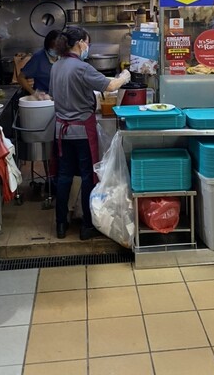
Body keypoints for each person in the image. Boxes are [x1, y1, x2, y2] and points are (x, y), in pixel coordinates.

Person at [49, 26, 131, 240]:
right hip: (82, 131)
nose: (88, 46)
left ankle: (60, 224)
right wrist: (125, 76)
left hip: (61, 132)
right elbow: (110, 86)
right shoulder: (81, 67)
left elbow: (54, 94)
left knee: (64, 176)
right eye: (87, 42)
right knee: (88, 176)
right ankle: (87, 226)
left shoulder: (56, 66)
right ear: (79, 43)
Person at [17, 29, 60, 99]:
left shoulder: (64, 57)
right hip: (44, 98)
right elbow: (21, 78)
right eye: (53, 47)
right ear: (48, 45)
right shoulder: (38, 58)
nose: (56, 49)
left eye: (58, 47)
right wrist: (34, 93)